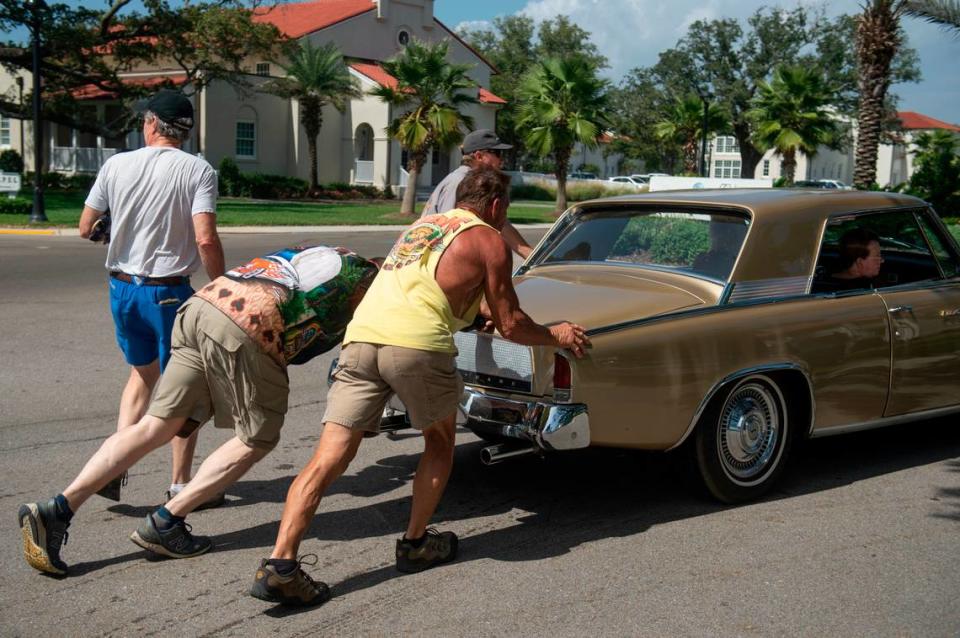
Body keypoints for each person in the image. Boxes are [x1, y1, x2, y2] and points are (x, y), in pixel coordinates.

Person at [249, 165, 590, 607]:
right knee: (440, 441)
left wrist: (471, 312)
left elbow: (428, 286)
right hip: (416, 347)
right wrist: (557, 334)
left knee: (328, 457)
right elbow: (512, 324)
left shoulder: (422, 227)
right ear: (497, 206)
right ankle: (415, 544)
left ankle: (281, 564)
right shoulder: (489, 239)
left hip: (363, 338)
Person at [17, 245, 380, 577]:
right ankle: (166, 521)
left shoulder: (332, 252)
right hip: (249, 324)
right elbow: (316, 347)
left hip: (202, 306)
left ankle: (58, 509)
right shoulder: (368, 286)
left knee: (157, 424)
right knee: (258, 437)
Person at [78, 89, 225, 506]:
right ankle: (180, 483)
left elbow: (86, 227)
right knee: (188, 389)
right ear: (184, 130)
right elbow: (205, 238)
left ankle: (114, 466)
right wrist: (220, 285)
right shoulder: (197, 171)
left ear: (150, 124)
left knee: (142, 376)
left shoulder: (116, 164)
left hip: (122, 288)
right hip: (167, 293)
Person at [421, 129, 533, 259]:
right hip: (433, 264)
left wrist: (531, 257)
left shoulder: (479, 183)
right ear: (479, 156)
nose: (501, 159)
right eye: (497, 153)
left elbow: (502, 226)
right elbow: (448, 229)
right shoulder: (459, 181)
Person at [816, 228, 884, 292]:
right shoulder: (861, 291)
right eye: (877, 256)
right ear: (859, 261)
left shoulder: (823, 282)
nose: (882, 261)